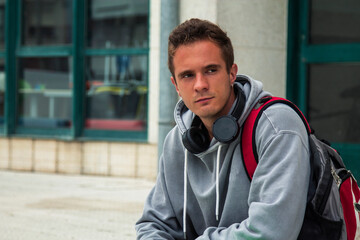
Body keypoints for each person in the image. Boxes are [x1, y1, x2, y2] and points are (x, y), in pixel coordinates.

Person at [135, 18, 310, 240]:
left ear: (232, 73)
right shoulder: (177, 141)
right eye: (188, 75)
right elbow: (154, 224)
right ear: (176, 86)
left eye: (210, 70)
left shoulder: (277, 126)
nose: (200, 85)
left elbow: (271, 232)